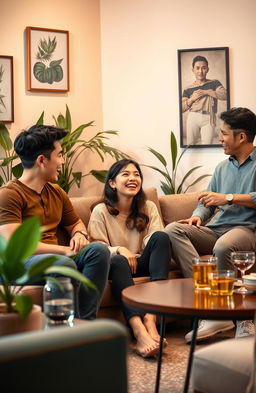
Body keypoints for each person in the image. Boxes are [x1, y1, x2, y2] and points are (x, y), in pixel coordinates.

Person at [0, 124, 110, 320]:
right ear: (42, 160)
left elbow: (75, 223)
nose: (62, 161)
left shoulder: (56, 191)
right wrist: (65, 250)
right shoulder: (9, 194)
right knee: (63, 263)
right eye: (59, 155)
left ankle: (83, 325)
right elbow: (17, 246)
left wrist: (79, 234)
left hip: (55, 257)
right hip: (19, 264)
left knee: (99, 251)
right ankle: (63, 333)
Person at [165, 107, 256, 342]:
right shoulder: (222, 167)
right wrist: (198, 216)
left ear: (242, 137)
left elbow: (222, 198)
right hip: (216, 228)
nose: (220, 139)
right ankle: (212, 305)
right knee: (173, 230)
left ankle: (243, 320)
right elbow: (208, 201)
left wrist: (227, 198)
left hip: (247, 230)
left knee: (224, 247)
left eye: (224, 133)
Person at [88, 159, 171, 358]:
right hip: (116, 266)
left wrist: (139, 250)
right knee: (116, 260)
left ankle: (151, 320)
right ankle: (138, 330)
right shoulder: (100, 211)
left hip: (141, 262)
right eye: (125, 174)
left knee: (162, 237)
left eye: (136, 174)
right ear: (112, 183)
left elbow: (154, 237)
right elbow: (96, 247)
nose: (133, 178)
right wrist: (119, 250)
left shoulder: (148, 207)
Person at [182, 55, 227, 145]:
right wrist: (192, 99)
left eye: (203, 68)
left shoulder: (214, 83)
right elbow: (182, 108)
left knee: (208, 144)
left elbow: (225, 95)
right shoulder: (187, 89)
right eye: (197, 68)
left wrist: (207, 92)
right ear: (193, 70)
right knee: (190, 145)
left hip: (209, 117)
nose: (200, 71)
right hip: (193, 117)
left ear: (207, 69)